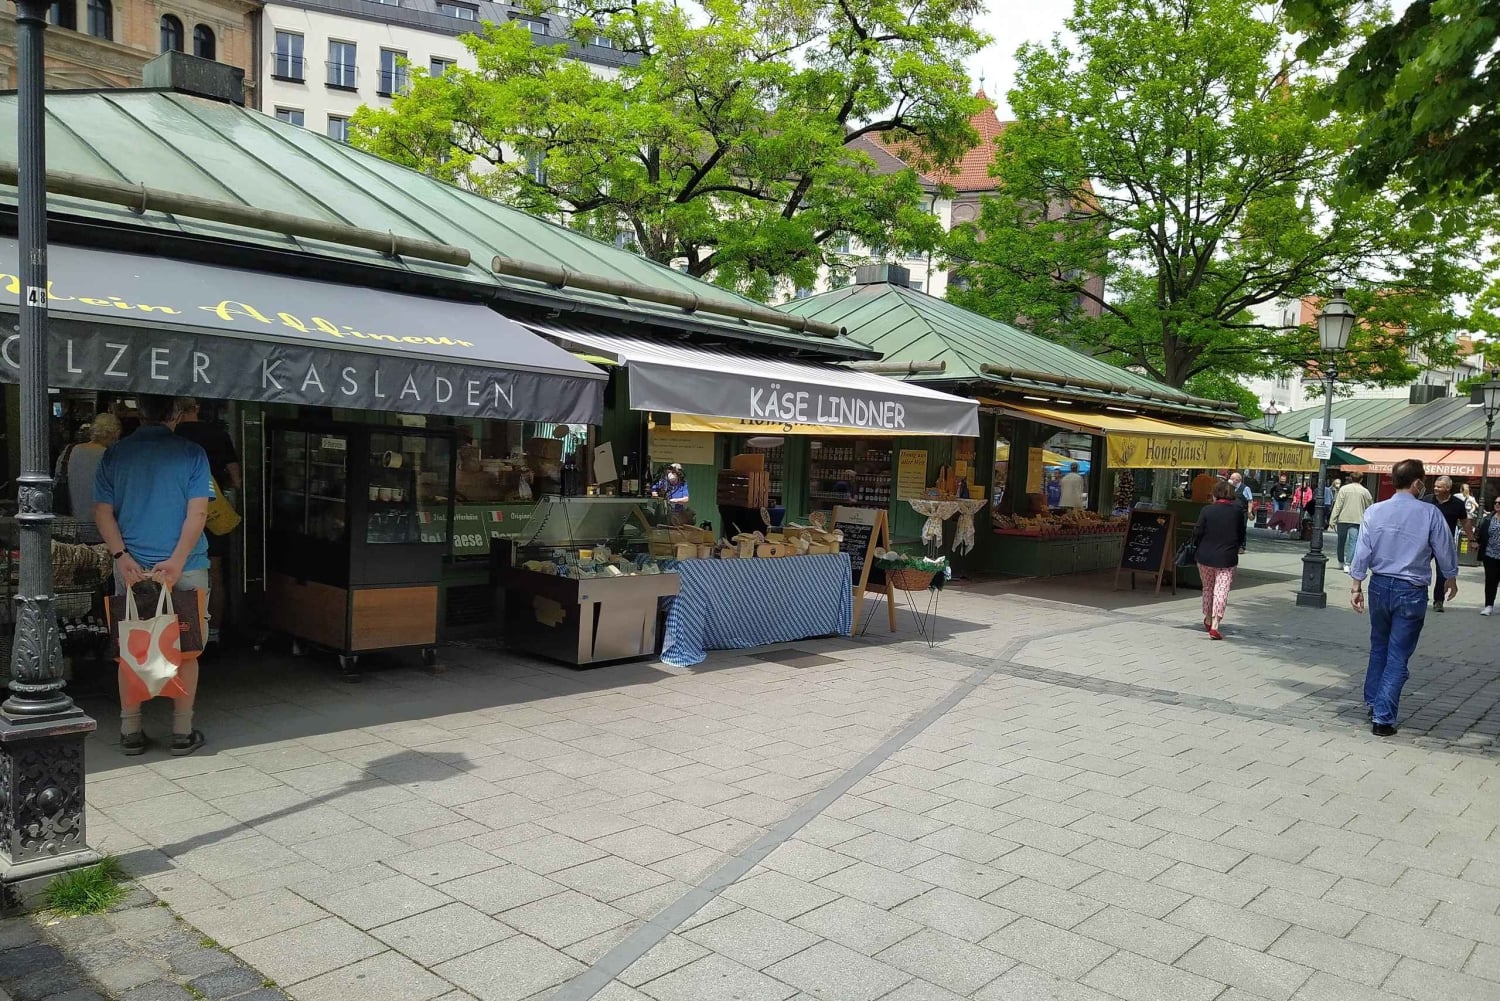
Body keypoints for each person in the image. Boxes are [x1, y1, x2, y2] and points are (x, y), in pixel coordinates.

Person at [93, 394, 212, 757]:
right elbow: (198, 514)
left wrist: (121, 556)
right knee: (187, 649)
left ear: (139, 413)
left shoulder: (114, 454)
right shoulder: (192, 453)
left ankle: (130, 730)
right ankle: (182, 731)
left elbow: (102, 512)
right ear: (175, 413)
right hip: (186, 566)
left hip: (132, 568)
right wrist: (176, 561)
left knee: (131, 647)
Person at [1349, 458, 1458, 737]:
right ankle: (1383, 717)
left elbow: (1362, 551)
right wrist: (1450, 576)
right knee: (1398, 654)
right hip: (1411, 588)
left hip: (1379, 585)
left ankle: (1374, 701)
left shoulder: (1375, 511)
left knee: (1379, 646)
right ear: (1418, 483)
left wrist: (1356, 585)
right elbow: (1444, 548)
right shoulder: (1430, 513)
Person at [173, 399, 241, 645]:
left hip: (178, 515)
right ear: (198, 407)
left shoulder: (173, 437)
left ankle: (179, 632)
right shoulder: (219, 435)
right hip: (212, 515)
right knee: (215, 572)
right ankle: (212, 632)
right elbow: (237, 480)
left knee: (177, 571)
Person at [1192, 480, 1246, 640]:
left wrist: (1196, 544)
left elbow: (1198, 531)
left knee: (1208, 588)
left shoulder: (1207, 510)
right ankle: (1215, 624)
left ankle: (1208, 618)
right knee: (1221, 590)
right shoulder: (1237, 511)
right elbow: (1241, 533)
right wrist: (1238, 546)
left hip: (1205, 556)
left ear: (1215, 494)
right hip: (1226, 558)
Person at [54, 413, 121, 541]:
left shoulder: (68, 452)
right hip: (104, 534)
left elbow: (56, 484)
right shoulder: (113, 459)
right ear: (114, 434)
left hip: (71, 532)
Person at [1422, 475, 1474, 612]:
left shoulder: (1457, 504)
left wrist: (1472, 539)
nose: (1435, 488)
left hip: (1444, 544)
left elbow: (1465, 522)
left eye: (1439, 487)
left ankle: (1438, 601)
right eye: (1435, 486)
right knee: (1420, 569)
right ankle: (1422, 595)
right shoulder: (1427, 500)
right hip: (1425, 542)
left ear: (1448, 488)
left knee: (1442, 573)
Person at [1331, 472, 1374, 572]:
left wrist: (1332, 519)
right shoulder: (1365, 491)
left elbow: (1338, 505)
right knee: (1353, 542)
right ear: (1361, 479)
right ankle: (1348, 564)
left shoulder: (1343, 489)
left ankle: (1340, 561)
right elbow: (1370, 506)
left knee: (1341, 541)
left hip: (1343, 518)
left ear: (1351, 478)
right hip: (1356, 519)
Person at [1478, 495, 1500, 616]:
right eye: (1495, 502)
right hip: (1490, 555)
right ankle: (1488, 606)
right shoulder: (1488, 518)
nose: (1497, 504)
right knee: (1491, 581)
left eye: (1499, 503)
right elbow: (1481, 533)